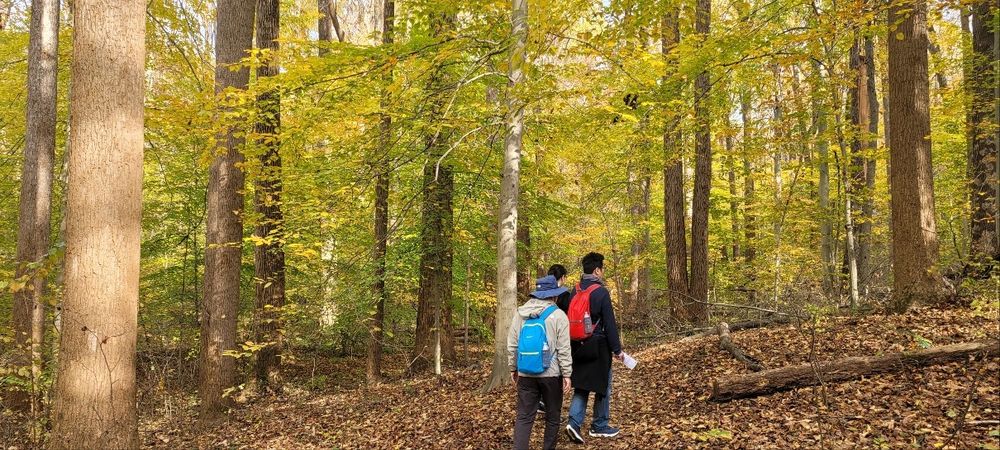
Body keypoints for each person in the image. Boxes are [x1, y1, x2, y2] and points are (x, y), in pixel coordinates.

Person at [507, 275, 574, 450]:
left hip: (526, 373)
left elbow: (513, 344)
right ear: (555, 295)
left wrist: (513, 367)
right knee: (552, 417)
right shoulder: (559, 316)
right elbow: (564, 348)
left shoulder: (520, 314)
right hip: (551, 375)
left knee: (524, 417)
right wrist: (567, 373)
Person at [564, 252, 624, 443]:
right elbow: (610, 323)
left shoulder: (575, 290)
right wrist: (617, 350)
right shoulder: (601, 292)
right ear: (597, 270)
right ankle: (599, 425)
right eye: (602, 269)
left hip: (577, 345)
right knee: (602, 385)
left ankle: (573, 423)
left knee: (581, 384)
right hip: (598, 346)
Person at [538, 264, 570, 414]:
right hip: (557, 336)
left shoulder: (540, 293)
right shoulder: (565, 295)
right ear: (562, 277)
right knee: (553, 371)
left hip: (540, 337)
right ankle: (552, 408)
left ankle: (541, 400)